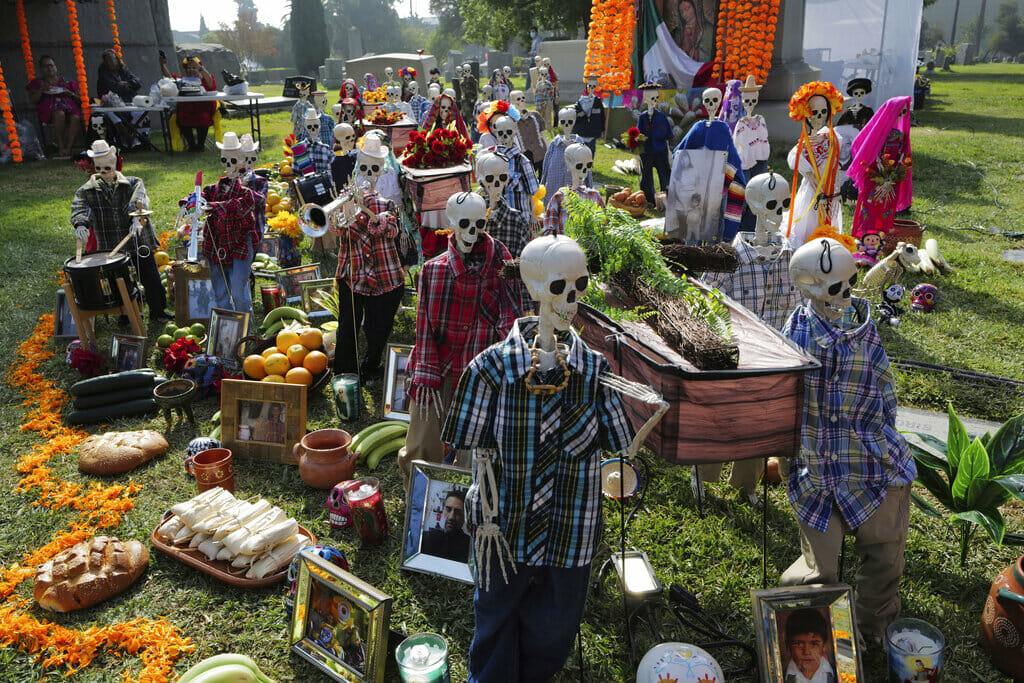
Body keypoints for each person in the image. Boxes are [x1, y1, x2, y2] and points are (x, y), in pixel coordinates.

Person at [71, 140, 169, 321]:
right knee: (121, 283)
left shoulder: (133, 183)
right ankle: (126, 314)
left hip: (139, 240)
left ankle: (158, 310)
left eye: (107, 168)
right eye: (99, 169)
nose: (104, 173)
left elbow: (140, 198)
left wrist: (136, 216)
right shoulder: (86, 191)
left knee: (151, 278)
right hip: (111, 244)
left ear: (114, 164)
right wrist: (81, 223)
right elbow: (80, 206)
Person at [26, 55, 83, 158]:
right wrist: (41, 90)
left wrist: (70, 93)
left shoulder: (67, 82)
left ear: (56, 67)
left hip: (69, 109)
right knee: (59, 113)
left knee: (76, 117)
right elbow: (33, 100)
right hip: (49, 111)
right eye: (45, 66)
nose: (49, 68)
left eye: (51, 65)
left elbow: (81, 99)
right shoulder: (37, 83)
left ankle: (68, 149)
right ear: (41, 69)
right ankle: (61, 146)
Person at [160, 53, 217, 152]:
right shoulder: (183, 80)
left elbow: (210, 83)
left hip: (204, 109)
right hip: (187, 109)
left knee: (203, 117)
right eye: (188, 68)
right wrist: (163, 64)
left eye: (193, 67)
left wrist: (199, 66)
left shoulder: (206, 79)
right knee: (182, 116)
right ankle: (191, 145)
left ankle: (200, 145)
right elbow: (169, 77)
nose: (191, 70)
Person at [96, 49, 145, 149]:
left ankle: (130, 131)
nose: (111, 62)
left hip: (128, 101)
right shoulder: (104, 73)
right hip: (112, 103)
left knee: (142, 110)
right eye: (108, 60)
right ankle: (124, 134)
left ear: (117, 60)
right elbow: (114, 88)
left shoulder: (123, 71)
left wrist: (126, 84)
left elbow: (138, 82)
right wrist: (129, 86)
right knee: (110, 112)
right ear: (105, 63)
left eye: (112, 59)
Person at [783, 609, 836, 683]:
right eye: (799, 644)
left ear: (824, 645)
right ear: (788, 646)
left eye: (814, 644)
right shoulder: (778, 675)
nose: (806, 652)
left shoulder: (839, 674)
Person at [420, 490, 472, 562]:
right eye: (448, 509)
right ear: (443, 510)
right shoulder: (426, 538)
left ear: (465, 516)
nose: (451, 517)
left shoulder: (470, 547)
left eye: (457, 512)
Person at [524, 26, 543, 91]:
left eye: (533, 31)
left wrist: (530, 53)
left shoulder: (538, 40)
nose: (532, 33)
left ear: (536, 32)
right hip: (533, 59)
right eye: (531, 32)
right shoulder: (534, 40)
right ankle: (530, 88)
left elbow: (538, 51)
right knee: (534, 75)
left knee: (531, 75)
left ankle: (528, 88)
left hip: (536, 60)